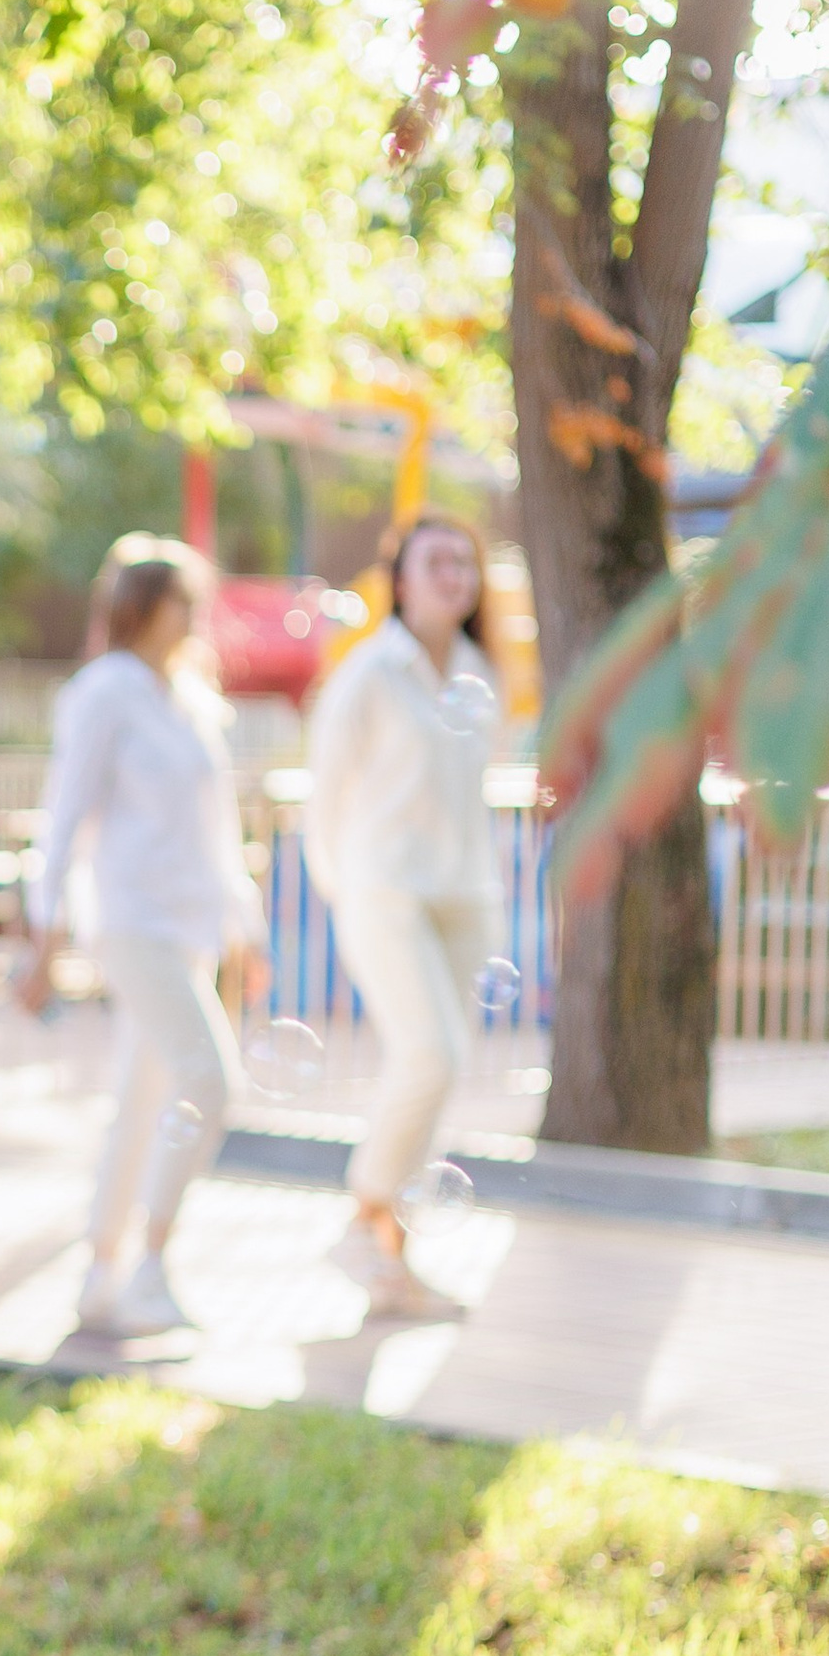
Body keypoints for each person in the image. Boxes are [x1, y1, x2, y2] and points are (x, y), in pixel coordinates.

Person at [12, 542, 264, 1339]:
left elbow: (218, 833)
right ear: (146, 607)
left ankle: (100, 1274)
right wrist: (43, 937)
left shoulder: (188, 699)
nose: (194, 618)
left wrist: (243, 928)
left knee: (143, 1101)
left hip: (188, 925)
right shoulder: (105, 693)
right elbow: (64, 818)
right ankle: (149, 1266)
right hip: (131, 921)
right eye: (182, 602)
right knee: (208, 1079)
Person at [304, 508, 503, 1320]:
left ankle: (391, 1260)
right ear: (403, 578)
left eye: (465, 561)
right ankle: (364, 1214)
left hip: (463, 899)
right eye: (437, 561)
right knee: (431, 1054)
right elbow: (325, 797)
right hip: (384, 894)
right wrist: (344, 890)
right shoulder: (369, 672)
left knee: (441, 1072)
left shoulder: (477, 669)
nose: (455, 573)